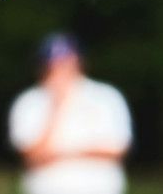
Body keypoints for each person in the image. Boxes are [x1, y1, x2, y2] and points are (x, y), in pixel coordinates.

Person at [8, 33, 132, 194]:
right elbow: (33, 155)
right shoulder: (29, 101)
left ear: (79, 62)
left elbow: (117, 149)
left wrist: (62, 152)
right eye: (54, 64)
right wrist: (56, 106)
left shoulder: (106, 97)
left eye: (66, 63)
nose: (61, 69)